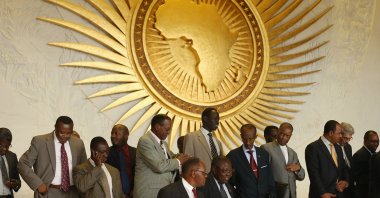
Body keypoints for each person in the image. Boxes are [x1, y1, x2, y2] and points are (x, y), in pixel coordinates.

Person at [18, 116, 87, 198]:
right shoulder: (40, 141)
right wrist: (38, 184)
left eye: (69, 133)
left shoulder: (78, 143)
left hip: (73, 193)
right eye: (62, 132)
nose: (65, 136)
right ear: (55, 127)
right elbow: (23, 163)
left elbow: (83, 168)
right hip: (48, 192)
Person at [133, 114, 189, 198]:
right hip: (149, 192)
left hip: (163, 190)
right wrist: (179, 161)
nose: (169, 132)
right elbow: (159, 166)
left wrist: (185, 157)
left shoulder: (163, 143)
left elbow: (171, 158)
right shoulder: (145, 141)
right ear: (157, 127)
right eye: (167, 129)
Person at [227, 124, 275, 198]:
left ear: (255, 137)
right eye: (245, 139)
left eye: (250, 139)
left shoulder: (263, 154)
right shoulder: (233, 156)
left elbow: (270, 179)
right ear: (241, 136)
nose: (248, 142)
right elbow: (229, 182)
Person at [305, 120, 349, 198]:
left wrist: (345, 181)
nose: (341, 136)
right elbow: (313, 173)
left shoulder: (338, 148)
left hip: (338, 194)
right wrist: (323, 193)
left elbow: (344, 167)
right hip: (321, 195)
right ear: (331, 133)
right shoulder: (313, 148)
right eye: (339, 133)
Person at [261, 122, 305, 198]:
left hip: (292, 194)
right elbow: (263, 174)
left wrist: (298, 168)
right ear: (278, 132)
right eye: (282, 134)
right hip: (274, 194)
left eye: (287, 135)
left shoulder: (293, 153)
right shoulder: (266, 148)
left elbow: (302, 176)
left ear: (290, 136)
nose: (283, 137)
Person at [184, 108, 223, 172]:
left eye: (218, 119)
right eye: (215, 119)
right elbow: (188, 163)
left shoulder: (218, 142)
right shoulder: (191, 138)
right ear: (206, 119)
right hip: (200, 179)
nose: (217, 122)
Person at [106, 124, 136, 197]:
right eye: (112, 134)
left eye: (116, 134)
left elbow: (139, 173)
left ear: (126, 136)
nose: (113, 136)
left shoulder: (135, 152)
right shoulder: (106, 152)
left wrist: (135, 189)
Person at [351, 130, 379, 198]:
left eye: (377, 141)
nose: (376, 144)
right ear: (365, 141)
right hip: (363, 194)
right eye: (373, 141)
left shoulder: (375, 155)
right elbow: (356, 178)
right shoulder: (358, 155)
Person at [0, 128, 21, 198]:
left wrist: (15, 184)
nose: (4, 149)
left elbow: (18, 180)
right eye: (1, 146)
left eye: (7, 146)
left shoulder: (12, 157)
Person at [339, 122, 354, 198]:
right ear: (340, 134)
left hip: (348, 186)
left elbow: (349, 167)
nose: (347, 141)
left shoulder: (348, 147)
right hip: (338, 187)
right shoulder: (333, 148)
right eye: (346, 138)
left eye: (350, 138)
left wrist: (348, 181)